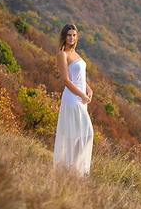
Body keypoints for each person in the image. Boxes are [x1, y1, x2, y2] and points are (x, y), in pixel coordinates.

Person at [53, 23, 94, 176]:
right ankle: (69, 168)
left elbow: (80, 78)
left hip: (81, 100)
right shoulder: (62, 54)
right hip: (72, 100)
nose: (72, 38)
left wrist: (88, 89)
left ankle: (71, 169)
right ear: (64, 36)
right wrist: (81, 94)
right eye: (69, 35)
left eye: (74, 35)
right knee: (84, 134)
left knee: (82, 135)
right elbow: (65, 80)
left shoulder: (76, 54)